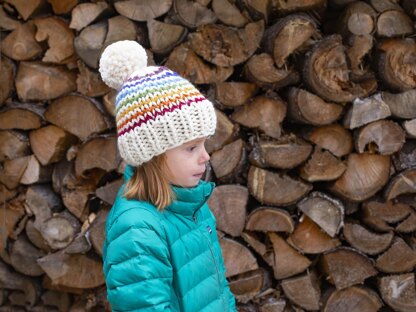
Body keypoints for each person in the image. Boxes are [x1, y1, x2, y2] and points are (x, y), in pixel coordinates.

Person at [99, 40, 236, 312]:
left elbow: (217, 290)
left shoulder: (190, 207)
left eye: (204, 144)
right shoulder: (137, 228)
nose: (205, 156)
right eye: (191, 148)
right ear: (153, 154)